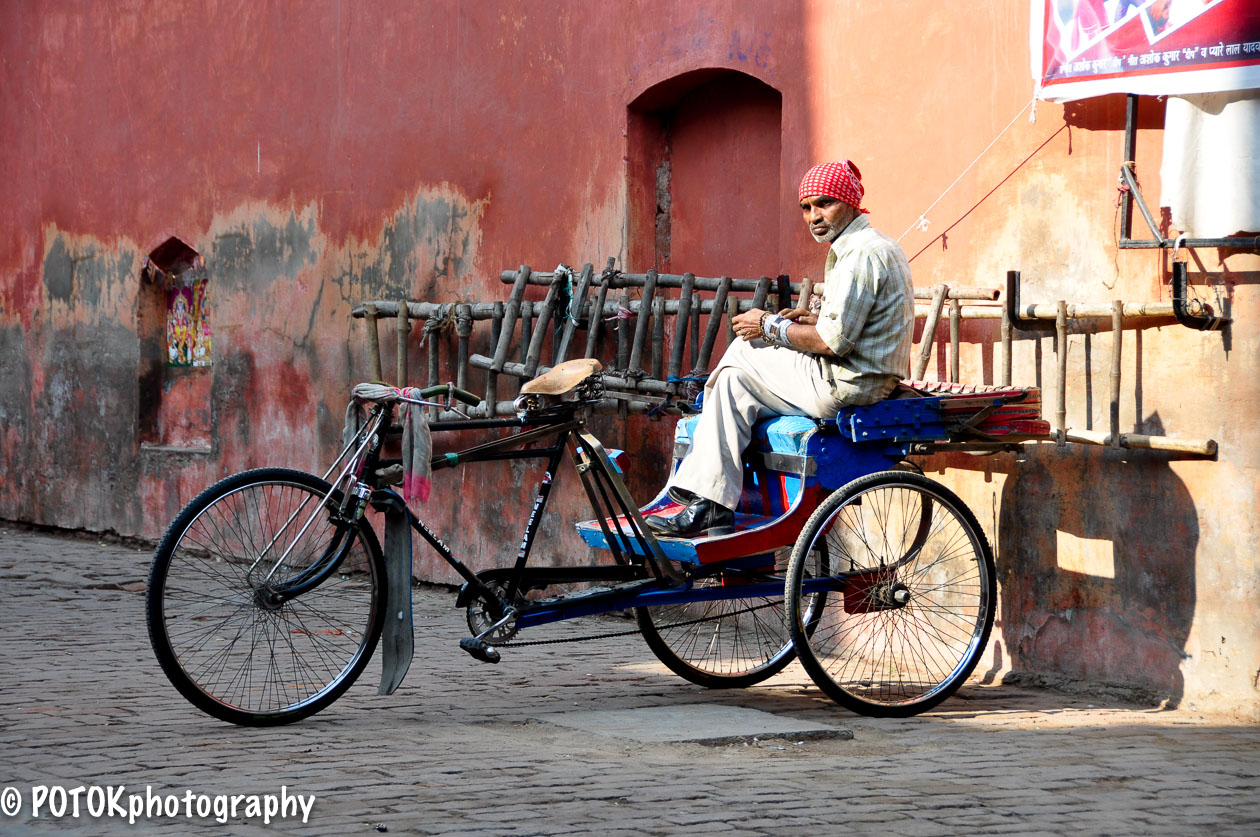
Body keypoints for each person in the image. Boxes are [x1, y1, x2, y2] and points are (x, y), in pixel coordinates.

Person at [647, 160, 914, 538]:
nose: (814, 217)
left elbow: (831, 343)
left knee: (742, 350)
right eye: (806, 208)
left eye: (825, 204)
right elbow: (845, 327)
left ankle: (700, 492)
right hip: (856, 376)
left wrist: (769, 326)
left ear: (852, 203)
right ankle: (709, 501)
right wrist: (806, 321)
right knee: (733, 383)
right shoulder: (869, 247)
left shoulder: (860, 254)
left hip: (846, 384)